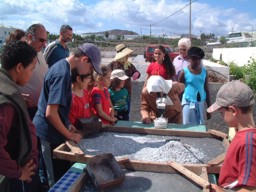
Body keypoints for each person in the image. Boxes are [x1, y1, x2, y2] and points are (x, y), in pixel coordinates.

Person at [33, 43, 102, 187]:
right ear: (84, 59)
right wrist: (70, 136)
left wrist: (68, 124)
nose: (88, 72)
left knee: (62, 172)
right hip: (49, 133)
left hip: (57, 129)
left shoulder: (64, 69)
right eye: (90, 67)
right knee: (56, 180)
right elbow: (50, 113)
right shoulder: (62, 74)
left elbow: (58, 109)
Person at [0, 41, 40, 191]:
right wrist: (19, 172)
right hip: (15, 179)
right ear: (19, 67)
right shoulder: (6, 102)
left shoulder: (7, 88)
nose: (32, 74)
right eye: (32, 69)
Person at [207, 80, 256, 192]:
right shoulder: (242, 135)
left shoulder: (248, 143)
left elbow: (250, 188)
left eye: (221, 112)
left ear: (233, 110)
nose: (222, 117)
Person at [18, 23, 48, 120]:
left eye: (45, 41)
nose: (44, 44)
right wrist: (15, 96)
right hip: (26, 110)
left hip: (41, 107)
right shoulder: (18, 53)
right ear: (30, 37)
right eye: (41, 40)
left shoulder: (38, 52)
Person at [178, 46, 211, 125]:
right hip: (188, 103)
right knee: (188, 126)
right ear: (189, 59)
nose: (196, 61)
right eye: (194, 59)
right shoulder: (184, 72)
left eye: (198, 59)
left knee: (201, 126)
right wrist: (178, 108)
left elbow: (206, 89)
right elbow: (179, 91)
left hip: (200, 104)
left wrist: (209, 108)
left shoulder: (204, 72)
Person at [108, 44, 141, 115]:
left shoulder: (128, 64)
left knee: (125, 110)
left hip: (126, 92)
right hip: (114, 93)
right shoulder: (112, 65)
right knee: (115, 111)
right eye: (126, 55)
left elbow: (135, 71)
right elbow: (107, 76)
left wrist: (136, 73)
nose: (127, 56)